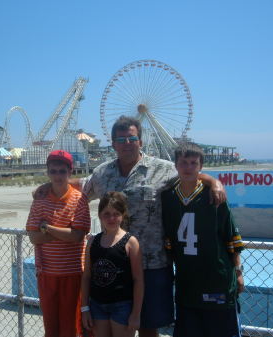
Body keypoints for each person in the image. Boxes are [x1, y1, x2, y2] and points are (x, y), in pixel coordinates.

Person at [35, 115, 226, 337]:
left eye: (132, 138)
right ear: (113, 143)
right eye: (121, 139)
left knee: (147, 326)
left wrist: (214, 182)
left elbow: (190, 174)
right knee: (106, 327)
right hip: (111, 264)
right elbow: (80, 188)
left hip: (150, 263)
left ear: (140, 142)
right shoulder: (103, 172)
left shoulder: (162, 169)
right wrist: (49, 185)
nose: (127, 143)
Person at [161, 143, 244, 337]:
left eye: (193, 163)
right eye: (183, 163)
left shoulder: (214, 196)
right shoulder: (168, 197)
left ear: (201, 167)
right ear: (175, 165)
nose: (188, 167)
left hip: (217, 281)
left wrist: (238, 271)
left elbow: (230, 237)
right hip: (187, 284)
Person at [26, 150, 91, 337]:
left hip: (73, 273)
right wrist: (65, 232)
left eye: (62, 171)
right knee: (51, 328)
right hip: (46, 273)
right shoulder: (40, 199)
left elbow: (78, 236)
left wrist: (46, 227)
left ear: (70, 172)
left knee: (71, 328)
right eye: (53, 171)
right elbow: (33, 237)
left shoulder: (79, 200)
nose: (57, 175)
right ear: (48, 172)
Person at [81, 191, 144, 337]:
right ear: (100, 215)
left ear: (123, 215)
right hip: (97, 305)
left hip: (122, 306)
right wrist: (85, 308)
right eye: (106, 214)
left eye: (116, 213)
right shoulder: (92, 242)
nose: (111, 218)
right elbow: (86, 276)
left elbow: (138, 280)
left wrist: (136, 314)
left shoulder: (131, 242)